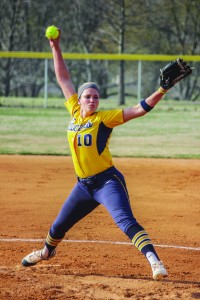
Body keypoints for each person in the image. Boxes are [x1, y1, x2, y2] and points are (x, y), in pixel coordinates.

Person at [21, 29, 169, 280]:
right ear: (78, 100)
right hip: (83, 186)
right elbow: (63, 78)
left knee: (125, 221)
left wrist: (162, 90)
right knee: (58, 226)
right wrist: (55, 47)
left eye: (96, 97)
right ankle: (46, 253)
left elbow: (138, 109)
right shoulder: (75, 113)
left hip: (107, 182)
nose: (92, 100)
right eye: (88, 96)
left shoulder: (105, 119)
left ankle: (155, 262)